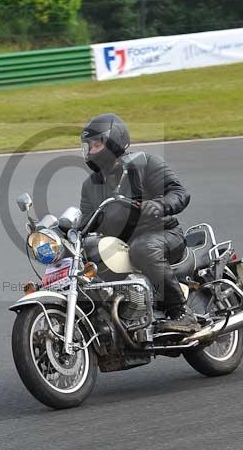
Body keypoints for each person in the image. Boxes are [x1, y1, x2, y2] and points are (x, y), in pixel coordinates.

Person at [78, 114, 200, 333]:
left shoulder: (145, 163)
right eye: (89, 145)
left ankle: (182, 313)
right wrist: (66, 230)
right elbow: (87, 220)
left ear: (114, 141)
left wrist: (160, 205)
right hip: (121, 243)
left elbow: (179, 192)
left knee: (143, 248)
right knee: (83, 257)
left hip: (164, 234)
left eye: (97, 144)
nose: (91, 150)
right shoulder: (91, 185)